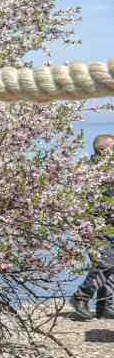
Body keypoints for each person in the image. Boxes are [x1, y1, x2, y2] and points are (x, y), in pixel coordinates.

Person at [70, 134, 114, 319]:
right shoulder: (90, 171)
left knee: (111, 265)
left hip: (109, 224)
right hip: (93, 225)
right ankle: (80, 297)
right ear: (103, 150)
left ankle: (106, 306)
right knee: (105, 263)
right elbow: (83, 203)